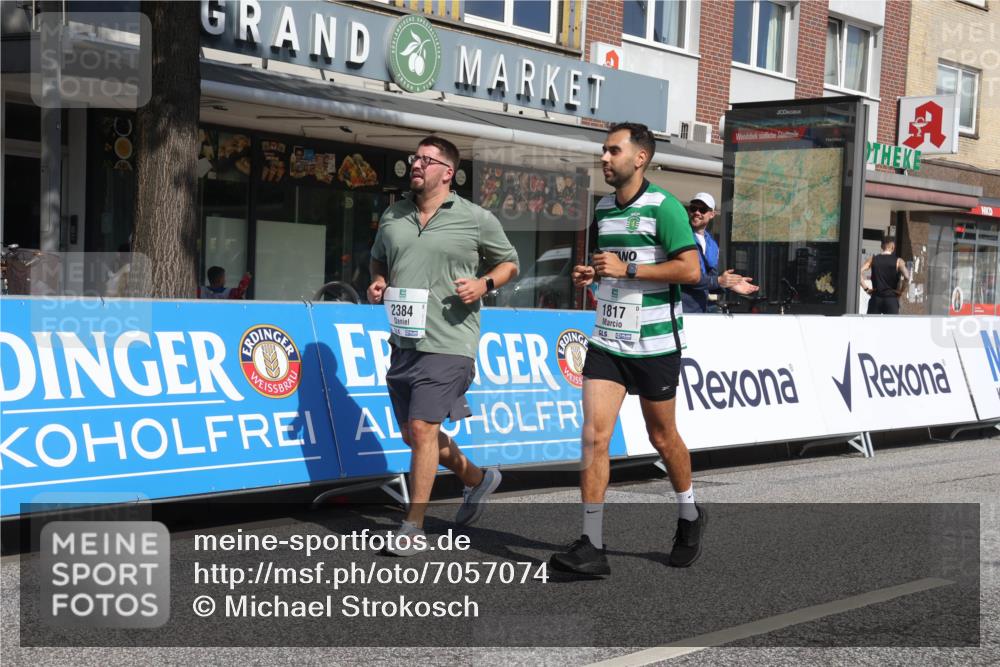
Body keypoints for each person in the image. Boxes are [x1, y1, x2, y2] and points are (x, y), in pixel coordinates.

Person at [549, 122, 706, 577]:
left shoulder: (666, 207)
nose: (604, 157)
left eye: (613, 150)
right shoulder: (601, 206)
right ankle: (592, 545)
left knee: (662, 437)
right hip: (607, 340)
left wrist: (628, 268)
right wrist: (592, 274)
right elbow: (609, 266)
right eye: (602, 150)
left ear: (640, 158)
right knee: (594, 435)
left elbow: (690, 270)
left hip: (655, 342)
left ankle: (689, 512)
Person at [367, 136, 519, 556]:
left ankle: (411, 526)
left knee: (421, 429)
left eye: (426, 160)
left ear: (447, 172)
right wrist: (379, 279)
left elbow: (509, 262)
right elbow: (378, 258)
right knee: (415, 436)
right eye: (414, 157)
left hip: (452, 339)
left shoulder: (475, 218)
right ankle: (476, 478)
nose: (416, 164)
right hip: (403, 339)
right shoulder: (393, 216)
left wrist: (483, 283)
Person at [680, 192, 759, 313]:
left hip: (701, 309)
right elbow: (686, 276)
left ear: (712, 214)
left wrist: (730, 283)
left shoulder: (712, 244)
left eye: (703, 209)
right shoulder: (681, 237)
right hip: (681, 309)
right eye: (693, 208)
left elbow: (710, 279)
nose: (697, 212)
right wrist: (718, 281)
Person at [861, 238, 911, 315]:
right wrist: (901, 291)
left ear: (881, 246)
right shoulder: (899, 261)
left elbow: (858, 272)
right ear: (893, 247)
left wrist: (866, 289)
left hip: (876, 298)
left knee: (871, 325)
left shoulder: (872, 259)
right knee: (890, 326)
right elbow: (907, 277)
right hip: (891, 299)